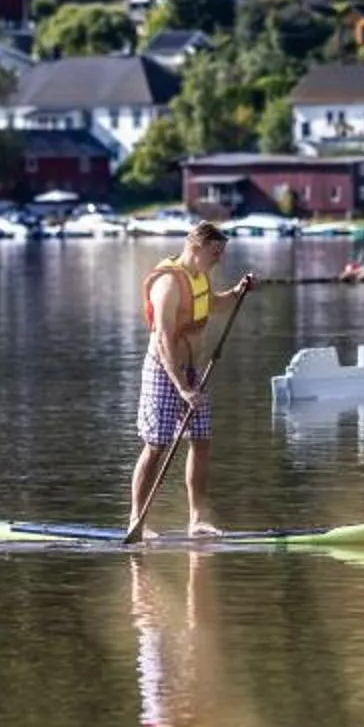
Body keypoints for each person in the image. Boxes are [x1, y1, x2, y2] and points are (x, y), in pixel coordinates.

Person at [130, 221, 252, 538]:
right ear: (196, 247)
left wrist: (238, 293)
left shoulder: (200, 277)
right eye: (215, 252)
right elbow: (164, 341)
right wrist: (182, 388)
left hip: (192, 373)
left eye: (222, 252)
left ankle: (197, 520)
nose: (219, 259)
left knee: (201, 441)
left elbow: (212, 304)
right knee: (156, 446)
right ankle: (137, 520)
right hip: (164, 371)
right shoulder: (168, 283)